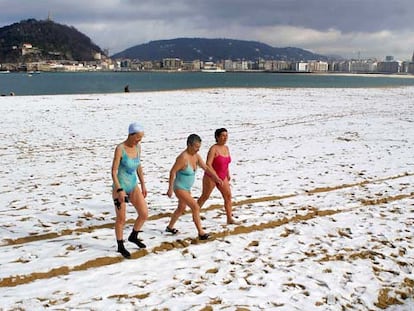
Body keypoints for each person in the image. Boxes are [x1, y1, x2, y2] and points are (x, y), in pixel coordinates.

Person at [166, 134, 223, 240]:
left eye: (199, 147)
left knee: (181, 208)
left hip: (187, 188)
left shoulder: (196, 156)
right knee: (195, 207)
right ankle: (201, 233)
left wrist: (216, 177)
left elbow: (205, 167)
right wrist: (170, 188)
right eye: (196, 147)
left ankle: (169, 227)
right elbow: (172, 171)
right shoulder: (182, 158)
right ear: (189, 145)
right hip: (179, 187)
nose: (198, 150)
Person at [111, 122, 148, 258]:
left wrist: (143, 184)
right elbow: (114, 171)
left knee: (144, 213)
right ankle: (120, 245)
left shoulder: (138, 147)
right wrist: (119, 189)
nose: (140, 140)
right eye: (138, 137)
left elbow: (138, 166)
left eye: (141, 137)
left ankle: (134, 236)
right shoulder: (120, 148)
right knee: (121, 218)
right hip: (120, 186)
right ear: (131, 135)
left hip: (133, 185)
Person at [197, 128, 236, 224]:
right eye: (223, 135)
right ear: (217, 137)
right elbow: (208, 164)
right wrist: (215, 177)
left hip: (223, 176)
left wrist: (228, 174)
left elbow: (226, 163)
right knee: (205, 196)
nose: (225, 137)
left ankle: (229, 218)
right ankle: (195, 212)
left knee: (228, 196)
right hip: (211, 176)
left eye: (226, 135)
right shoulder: (213, 149)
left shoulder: (226, 148)